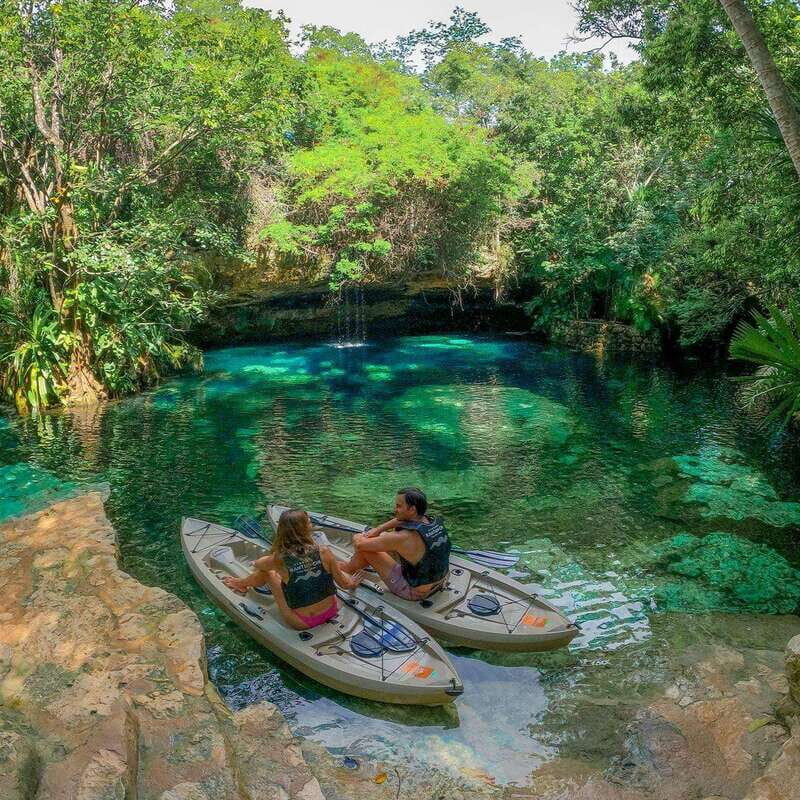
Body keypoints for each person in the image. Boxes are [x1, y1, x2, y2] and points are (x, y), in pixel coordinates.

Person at [223, 508, 361, 630]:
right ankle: (241, 583)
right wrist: (353, 582)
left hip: (302, 622)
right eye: (309, 522)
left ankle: (239, 584)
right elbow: (345, 584)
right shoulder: (324, 552)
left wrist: (262, 561)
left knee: (268, 574)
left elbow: (259, 564)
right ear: (303, 529)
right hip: (331, 610)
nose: (311, 524)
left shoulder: (279, 559)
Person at [343, 487, 451, 601]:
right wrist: (378, 530)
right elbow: (400, 521)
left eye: (399, 506)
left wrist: (361, 536)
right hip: (439, 580)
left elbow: (359, 544)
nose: (395, 509)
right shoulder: (431, 522)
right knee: (383, 537)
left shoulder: (402, 538)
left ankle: (347, 570)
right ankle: (357, 566)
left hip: (413, 591)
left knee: (366, 549)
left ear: (412, 509)